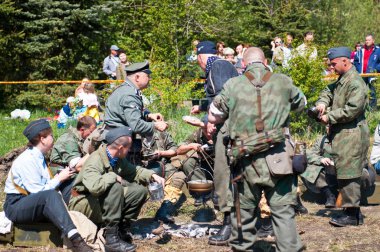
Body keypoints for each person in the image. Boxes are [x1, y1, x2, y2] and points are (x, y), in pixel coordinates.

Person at [208, 47, 306, 251]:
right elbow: (301, 104)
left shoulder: (233, 84)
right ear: (266, 61)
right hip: (279, 157)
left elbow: (213, 115)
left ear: (243, 64)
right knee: (282, 211)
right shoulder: (283, 81)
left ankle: (243, 247)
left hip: (245, 160)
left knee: (242, 210)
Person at [68, 127, 165, 252]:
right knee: (115, 188)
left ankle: (121, 229)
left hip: (97, 200)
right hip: (81, 203)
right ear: (120, 148)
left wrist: (152, 175)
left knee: (139, 191)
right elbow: (95, 188)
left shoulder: (116, 159)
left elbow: (135, 171)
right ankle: (111, 239)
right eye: (128, 148)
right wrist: (113, 176)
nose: (129, 150)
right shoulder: (95, 161)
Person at [3, 119, 92, 252]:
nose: (53, 137)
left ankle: (87, 216)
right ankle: (76, 240)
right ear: (42, 139)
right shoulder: (28, 159)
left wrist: (60, 179)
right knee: (51, 195)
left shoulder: (38, 156)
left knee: (71, 186)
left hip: (31, 201)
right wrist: (59, 179)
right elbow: (37, 193)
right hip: (16, 205)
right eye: (50, 135)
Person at [190, 40, 239, 246]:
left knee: (224, 174)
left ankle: (230, 225)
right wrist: (201, 107)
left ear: (202, 57)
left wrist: (208, 122)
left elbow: (221, 99)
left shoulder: (216, 66)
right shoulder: (222, 66)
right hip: (232, 125)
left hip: (226, 128)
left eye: (197, 60)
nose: (198, 64)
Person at [315, 47, 369, 227]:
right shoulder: (342, 80)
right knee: (344, 171)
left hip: (352, 134)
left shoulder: (355, 83)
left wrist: (328, 116)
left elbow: (352, 109)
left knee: (350, 173)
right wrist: (322, 103)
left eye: (333, 63)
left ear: (345, 61)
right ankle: (353, 211)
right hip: (344, 134)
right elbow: (328, 91)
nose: (331, 67)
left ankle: (352, 215)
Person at [104, 60, 168, 164]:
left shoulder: (125, 89)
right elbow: (136, 125)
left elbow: (125, 114)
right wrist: (155, 126)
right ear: (137, 77)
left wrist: (148, 115)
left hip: (116, 137)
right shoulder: (130, 94)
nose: (149, 78)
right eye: (147, 76)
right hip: (117, 142)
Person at [50, 116, 97, 204]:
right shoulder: (69, 140)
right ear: (82, 129)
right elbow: (78, 166)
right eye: (91, 132)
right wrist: (93, 150)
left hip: (72, 176)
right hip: (64, 181)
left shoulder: (81, 139)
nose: (92, 135)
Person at [353, 34, 380, 109]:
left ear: (373, 41)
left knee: (372, 92)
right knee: (360, 92)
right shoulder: (360, 50)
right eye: (366, 40)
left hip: (373, 75)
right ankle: (360, 108)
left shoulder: (378, 50)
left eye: (369, 40)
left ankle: (372, 108)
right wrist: (357, 69)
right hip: (361, 74)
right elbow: (355, 61)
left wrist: (376, 68)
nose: (367, 41)